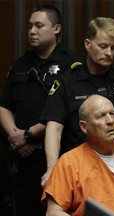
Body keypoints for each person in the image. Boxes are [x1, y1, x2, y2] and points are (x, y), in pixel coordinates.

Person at [40, 17, 114, 188]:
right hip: (78, 169)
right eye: (103, 46)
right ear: (88, 44)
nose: (109, 52)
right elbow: (54, 129)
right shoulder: (67, 83)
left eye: (113, 47)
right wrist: (52, 168)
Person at [0, 4, 79, 216]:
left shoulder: (71, 65)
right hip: (22, 156)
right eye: (29, 26)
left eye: (38, 25)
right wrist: (14, 136)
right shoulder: (21, 64)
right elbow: (4, 105)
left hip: (57, 156)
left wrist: (27, 135)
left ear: (56, 29)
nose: (31, 31)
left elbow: (65, 112)